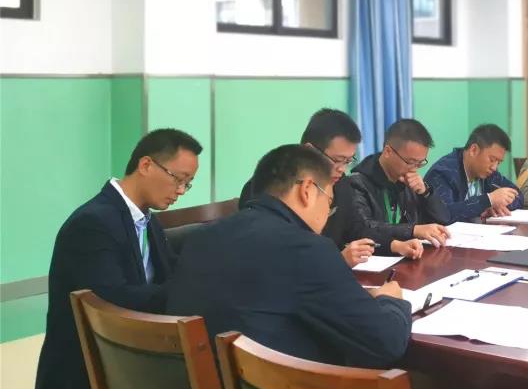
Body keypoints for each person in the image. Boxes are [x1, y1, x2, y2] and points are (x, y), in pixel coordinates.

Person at [167, 145, 410, 368]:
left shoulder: (201, 238)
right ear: (307, 190)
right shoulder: (307, 249)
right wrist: (390, 301)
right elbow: (386, 343)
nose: (328, 214)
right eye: (329, 202)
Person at [34, 129, 202, 389]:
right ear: (146, 165)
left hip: (128, 355)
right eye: (178, 179)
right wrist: (187, 292)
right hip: (86, 372)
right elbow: (113, 300)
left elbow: (171, 273)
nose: (180, 191)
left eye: (187, 184)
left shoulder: (145, 219)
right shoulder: (93, 223)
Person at [238, 108, 422, 264]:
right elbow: (275, 256)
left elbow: (357, 227)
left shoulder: (341, 184)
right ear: (310, 150)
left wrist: (395, 245)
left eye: (348, 161)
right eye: (337, 160)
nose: (342, 169)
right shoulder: (270, 186)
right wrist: (338, 261)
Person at [335, 119, 451, 251]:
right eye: (410, 162)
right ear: (388, 151)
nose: (414, 169)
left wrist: (426, 193)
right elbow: (363, 228)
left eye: (420, 163)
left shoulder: (410, 183)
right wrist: (413, 230)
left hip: (409, 254)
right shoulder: (357, 183)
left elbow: (444, 220)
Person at [425, 124, 522, 222]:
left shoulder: (489, 173)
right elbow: (444, 215)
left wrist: (496, 206)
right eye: (492, 160)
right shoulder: (443, 173)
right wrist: (488, 200)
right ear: (473, 150)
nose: (494, 167)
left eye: (499, 162)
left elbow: (519, 196)